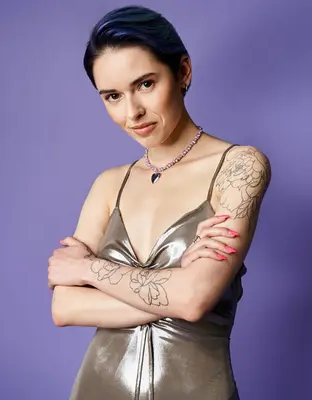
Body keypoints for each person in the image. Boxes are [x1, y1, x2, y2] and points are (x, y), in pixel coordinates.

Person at [47, 5, 271, 399]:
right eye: (112, 96)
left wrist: (88, 268)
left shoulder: (239, 166)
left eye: (145, 84)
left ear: (182, 72)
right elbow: (64, 307)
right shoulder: (108, 184)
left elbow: (195, 298)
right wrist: (175, 291)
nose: (132, 112)